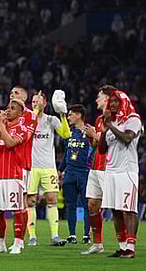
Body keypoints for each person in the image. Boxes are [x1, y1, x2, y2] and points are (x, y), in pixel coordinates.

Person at [0, 98, 32, 255]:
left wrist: (2, 126)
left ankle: (18, 243)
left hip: (14, 175)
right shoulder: (1, 127)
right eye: (8, 107)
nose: (8, 110)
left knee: (16, 210)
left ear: (20, 113)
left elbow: (10, 143)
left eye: (13, 108)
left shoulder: (22, 128)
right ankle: (1, 243)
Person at [99, 89, 142, 259]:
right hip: (111, 170)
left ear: (124, 101)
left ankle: (131, 248)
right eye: (111, 101)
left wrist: (109, 125)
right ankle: (122, 247)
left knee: (129, 209)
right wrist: (104, 129)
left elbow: (127, 138)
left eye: (116, 101)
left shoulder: (133, 119)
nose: (113, 104)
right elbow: (102, 150)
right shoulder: (111, 121)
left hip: (127, 170)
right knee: (115, 210)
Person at [26, 90, 71, 246]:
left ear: (45, 103)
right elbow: (30, 124)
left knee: (52, 200)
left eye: (38, 102)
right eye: (33, 102)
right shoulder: (26, 120)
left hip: (49, 167)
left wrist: (63, 115)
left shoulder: (51, 120)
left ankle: (55, 236)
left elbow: (66, 134)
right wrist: (36, 110)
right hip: (31, 167)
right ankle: (32, 236)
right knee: (30, 201)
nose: (35, 104)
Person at [81, 85, 114, 255]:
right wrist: (89, 135)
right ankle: (98, 243)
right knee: (92, 205)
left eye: (99, 97)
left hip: (109, 167)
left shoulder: (115, 118)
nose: (96, 100)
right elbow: (96, 145)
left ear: (107, 99)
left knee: (116, 208)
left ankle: (126, 243)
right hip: (95, 166)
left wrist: (95, 135)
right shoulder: (99, 119)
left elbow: (112, 140)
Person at [62, 104, 93, 245]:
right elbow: (66, 153)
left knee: (87, 206)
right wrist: (60, 169)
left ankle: (87, 235)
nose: (68, 117)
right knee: (71, 205)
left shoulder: (90, 131)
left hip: (84, 173)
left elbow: (95, 150)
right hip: (69, 172)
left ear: (79, 115)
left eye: (70, 114)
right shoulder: (69, 133)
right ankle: (72, 235)